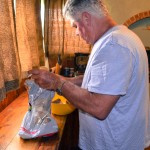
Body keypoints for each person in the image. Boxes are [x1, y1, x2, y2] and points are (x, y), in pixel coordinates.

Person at [29, 0, 150, 149]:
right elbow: (99, 81)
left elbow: (98, 107)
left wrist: (57, 83)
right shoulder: (119, 37)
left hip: (113, 145)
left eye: (75, 26)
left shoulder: (114, 45)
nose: (76, 33)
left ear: (86, 18)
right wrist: (62, 79)